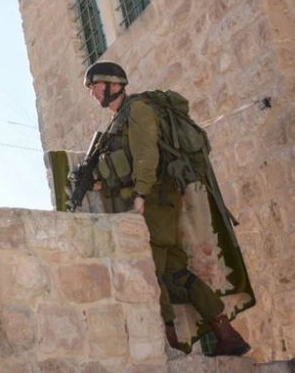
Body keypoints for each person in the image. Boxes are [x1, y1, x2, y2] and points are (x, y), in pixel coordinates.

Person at [83, 61, 251, 356]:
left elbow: (147, 157)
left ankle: (170, 344)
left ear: (114, 84)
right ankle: (228, 335)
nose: (93, 93)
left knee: (150, 271)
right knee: (176, 274)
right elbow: (126, 162)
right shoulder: (119, 120)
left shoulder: (137, 111)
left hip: (155, 201)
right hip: (155, 200)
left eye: (96, 86)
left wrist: (140, 196)